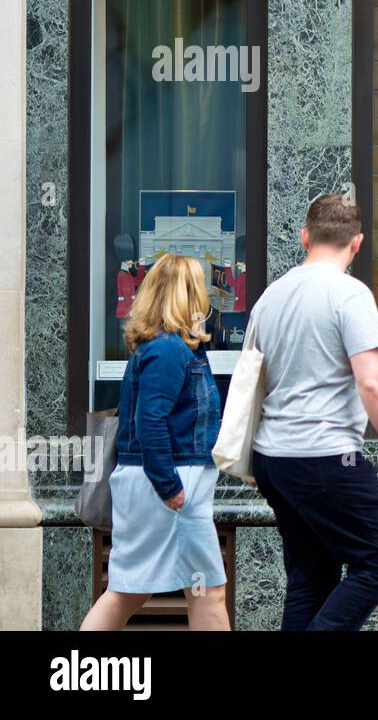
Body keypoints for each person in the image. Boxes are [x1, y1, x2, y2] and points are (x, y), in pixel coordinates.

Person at [250, 194, 378, 630]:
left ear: (305, 237)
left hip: (274, 460)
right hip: (326, 456)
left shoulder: (270, 297)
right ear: (357, 243)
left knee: (310, 578)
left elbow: (251, 379)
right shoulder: (349, 294)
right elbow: (372, 381)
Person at [81, 253, 230, 631]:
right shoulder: (168, 350)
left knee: (193, 590)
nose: (208, 297)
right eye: (202, 289)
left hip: (169, 488)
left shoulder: (165, 347)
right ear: (188, 295)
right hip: (170, 490)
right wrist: (169, 488)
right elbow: (151, 421)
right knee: (194, 591)